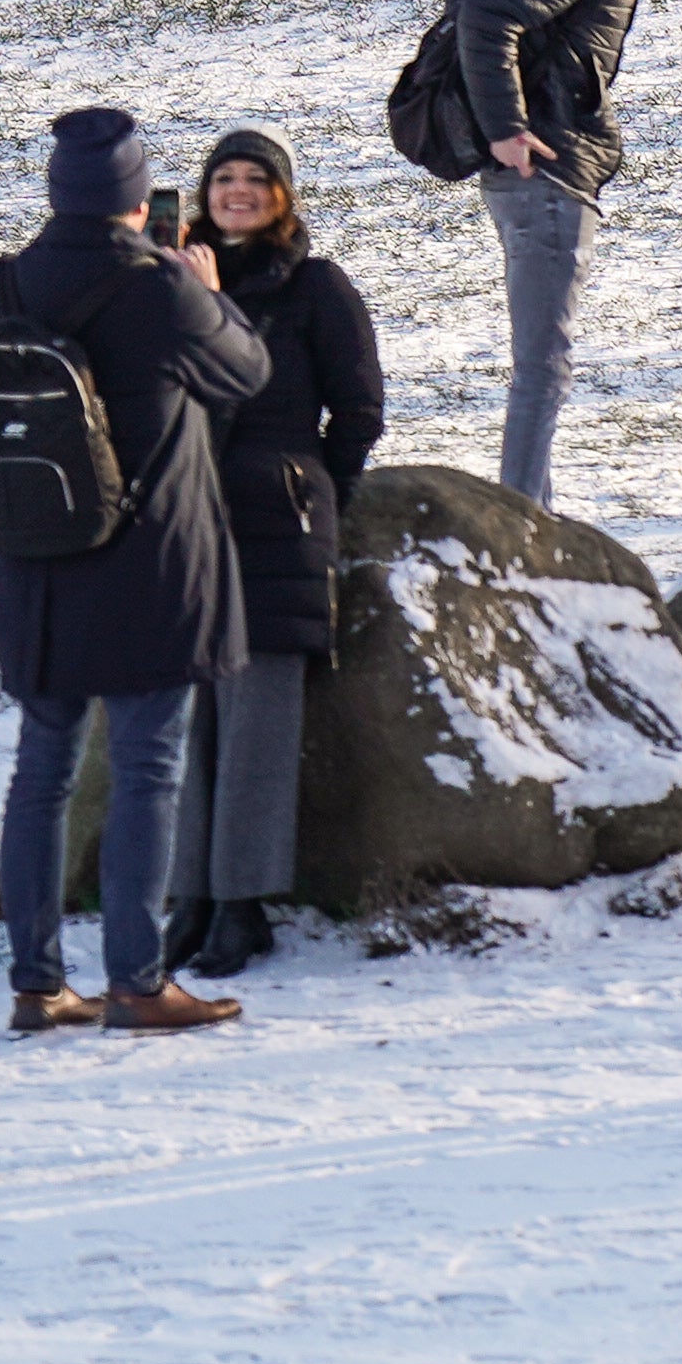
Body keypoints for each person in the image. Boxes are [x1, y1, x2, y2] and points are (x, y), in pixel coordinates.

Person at [0, 108, 271, 1035]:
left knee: (42, 775)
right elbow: (246, 372)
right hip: (150, 561)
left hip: (40, 563)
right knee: (148, 770)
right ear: (137, 194)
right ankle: (139, 982)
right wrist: (210, 289)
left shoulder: (11, 280)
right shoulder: (160, 285)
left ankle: (38, 985)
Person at [440, 0, 682, 510]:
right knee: (543, 368)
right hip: (544, 174)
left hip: (544, 170)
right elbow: (484, 11)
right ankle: (521, 533)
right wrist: (505, 128)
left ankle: (535, 519)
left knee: (544, 365)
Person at [170, 130, 384, 977]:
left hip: (277, 517)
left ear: (284, 195)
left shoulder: (316, 286)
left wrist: (314, 487)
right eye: (224, 177)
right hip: (187, 517)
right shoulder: (169, 282)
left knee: (259, 715)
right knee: (192, 718)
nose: (238, 190)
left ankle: (241, 905)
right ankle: (189, 894)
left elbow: (359, 409)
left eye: (257, 178)